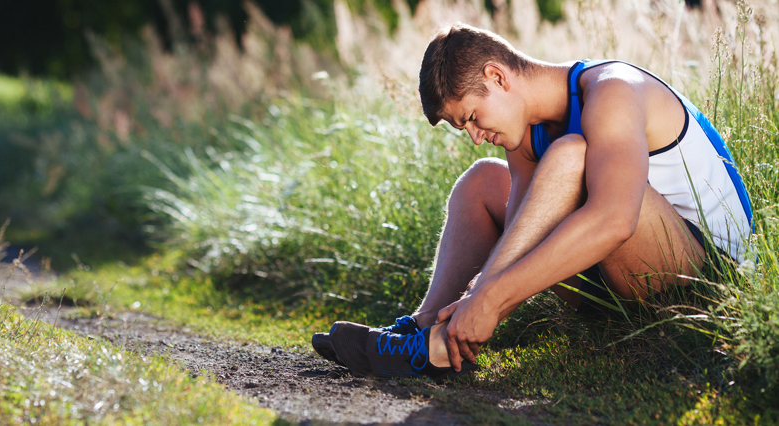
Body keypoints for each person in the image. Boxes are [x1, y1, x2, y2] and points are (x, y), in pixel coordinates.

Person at [310, 23, 753, 381]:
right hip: (621, 285)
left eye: (471, 119)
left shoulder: (613, 90)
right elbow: (521, 237)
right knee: (481, 181)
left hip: (706, 287)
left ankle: (442, 347)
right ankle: (427, 332)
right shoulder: (525, 135)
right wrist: (475, 299)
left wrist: (490, 299)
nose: (475, 136)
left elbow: (615, 220)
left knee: (569, 156)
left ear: (497, 77)